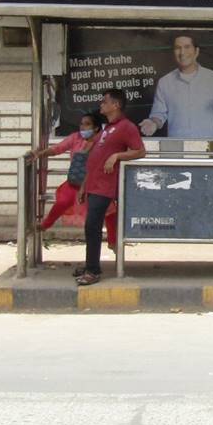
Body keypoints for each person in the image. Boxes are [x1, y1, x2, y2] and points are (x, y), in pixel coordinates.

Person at [75, 88, 146, 286]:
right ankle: (90, 264)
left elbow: (140, 151)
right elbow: (94, 158)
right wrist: (83, 186)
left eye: (105, 101)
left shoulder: (126, 127)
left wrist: (117, 156)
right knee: (91, 227)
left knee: (93, 226)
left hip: (105, 186)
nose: (101, 105)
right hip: (93, 184)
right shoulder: (107, 128)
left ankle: (93, 271)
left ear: (116, 105)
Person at [139, 34, 213, 139]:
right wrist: (152, 123)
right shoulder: (165, 82)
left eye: (187, 47)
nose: (182, 52)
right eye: (177, 48)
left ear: (196, 51)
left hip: (208, 149)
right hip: (177, 150)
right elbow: (158, 115)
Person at [25, 112, 101, 235]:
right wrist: (40, 154)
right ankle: (45, 224)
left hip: (96, 183)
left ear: (96, 128)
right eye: (81, 124)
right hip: (76, 180)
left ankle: (113, 240)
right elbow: (58, 148)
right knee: (62, 201)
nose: (83, 127)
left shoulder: (102, 140)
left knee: (109, 210)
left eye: (87, 125)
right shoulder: (76, 138)